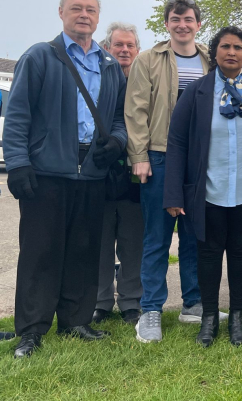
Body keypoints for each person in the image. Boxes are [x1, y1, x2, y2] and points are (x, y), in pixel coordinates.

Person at [4, 0, 127, 358]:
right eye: (76, 8)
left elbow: (119, 117)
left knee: (83, 252)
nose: (83, 15)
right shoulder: (40, 56)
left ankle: (76, 320)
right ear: (61, 13)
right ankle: (31, 330)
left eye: (90, 9)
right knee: (40, 253)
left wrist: (117, 141)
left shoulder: (109, 65)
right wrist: (17, 162)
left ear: (98, 17)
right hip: (47, 172)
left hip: (92, 172)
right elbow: (18, 114)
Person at [164, 26, 242, 347]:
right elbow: (176, 142)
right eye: (225, 46)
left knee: (241, 254)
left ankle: (237, 317)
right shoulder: (196, 92)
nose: (231, 52)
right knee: (208, 255)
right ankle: (208, 317)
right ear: (214, 52)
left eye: (238, 47)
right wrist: (174, 193)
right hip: (208, 192)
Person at [126, 0, 220, 344]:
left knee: (195, 235)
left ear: (198, 24)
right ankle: (150, 310)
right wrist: (139, 155)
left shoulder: (211, 60)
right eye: (176, 19)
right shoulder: (148, 60)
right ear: (166, 23)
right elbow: (136, 110)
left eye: (188, 19)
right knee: (157, 237)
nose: (182, 25)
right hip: (160, 156)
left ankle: (193, 304)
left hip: (201, 160)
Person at [93, 22, 144, 325]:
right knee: (100, 244)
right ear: (106, 48)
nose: (124, 50)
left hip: (137, 174)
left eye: (130, 45)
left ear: (138, 50)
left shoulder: (146, 80)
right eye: (118, 45)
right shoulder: (97, 79)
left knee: (133, 244)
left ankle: (131, 302)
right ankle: (100, 302)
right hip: (101, 172)